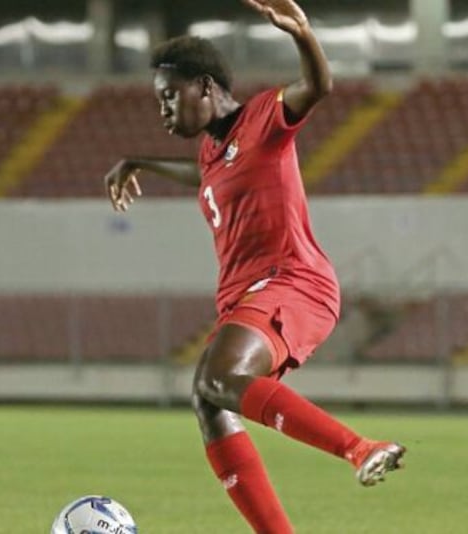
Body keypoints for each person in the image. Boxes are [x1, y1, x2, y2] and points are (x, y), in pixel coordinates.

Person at [103, 1, 404, 532]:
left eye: (169, 97)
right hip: (253, 295)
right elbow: (205, 178)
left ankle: (360, 448)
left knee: (218, 377)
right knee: (209, 401)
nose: (164, 111)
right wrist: (140, 162)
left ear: (204, 85)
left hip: (294, 282)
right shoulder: (212, 152)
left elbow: (319, 87)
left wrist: (303, 34)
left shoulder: (264, 118)